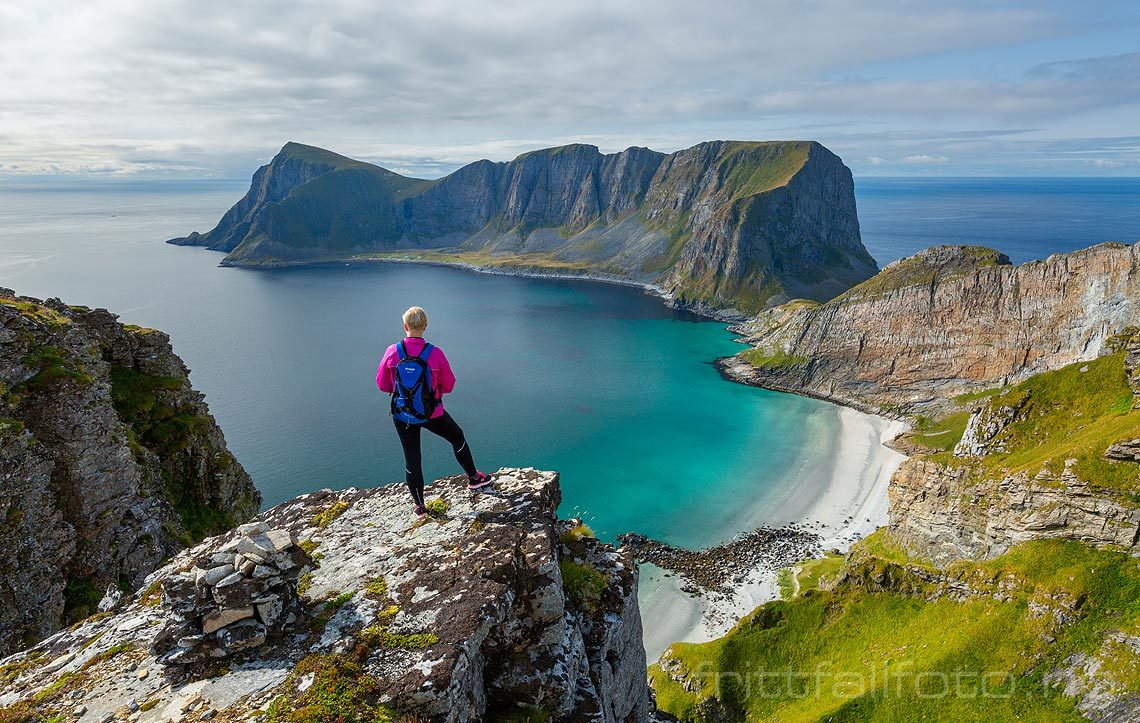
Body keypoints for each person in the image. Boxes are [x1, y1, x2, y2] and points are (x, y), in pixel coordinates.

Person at [376, 306, 492, 517]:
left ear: (405, 326)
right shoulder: (434, 353)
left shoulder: (392, 351)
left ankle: (419, 506)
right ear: (425, 326)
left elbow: (382, 385)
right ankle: (474, 478)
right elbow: (449, 385)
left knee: (412, 459)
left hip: (403, 415)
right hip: (432, 413)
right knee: (457, 437)